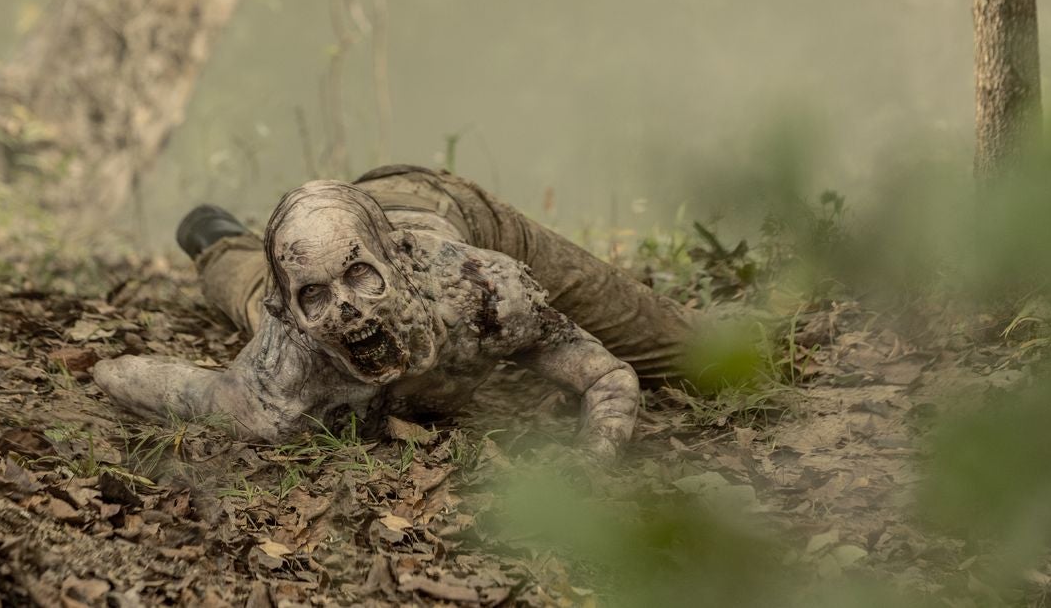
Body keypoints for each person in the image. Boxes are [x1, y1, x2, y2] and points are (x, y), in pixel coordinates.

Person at [93, 166, 701, 457]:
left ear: (400, 261)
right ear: (295, 316)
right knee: (255, 294)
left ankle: (311, 263)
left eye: (362, 280)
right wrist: (108, 370)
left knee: (691, 352)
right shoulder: (283, 369)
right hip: (328, 247)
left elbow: (605, 374)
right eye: (315, 300)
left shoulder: (485, 289)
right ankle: (219, 237)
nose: (348, 311)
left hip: (437, 205)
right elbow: (152, 383)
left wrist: (595, 457)